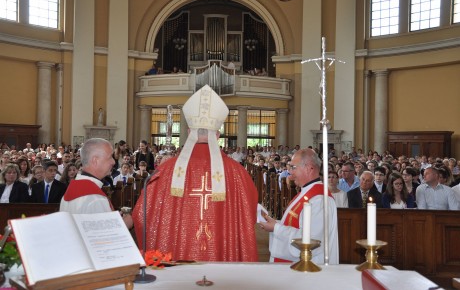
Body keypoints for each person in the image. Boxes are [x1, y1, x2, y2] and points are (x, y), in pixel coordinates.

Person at [133, 85, 259, 262]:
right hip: (223, 261)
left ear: (188, 132)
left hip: (177, 260)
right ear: (217, 135)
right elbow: (249, 211)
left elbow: (141, 213)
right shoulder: (237, 171)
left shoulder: (166, 170)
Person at [259, 148, 339, 264]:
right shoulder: (306, 192)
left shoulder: (319, 200)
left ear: (309, 168)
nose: (290, 172)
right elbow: (295, 224)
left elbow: (312, 240)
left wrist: (276, 228)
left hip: (310, 268)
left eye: (293, 167)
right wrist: (276, 222)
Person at [59, 138, 133, 227]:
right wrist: (124, 225)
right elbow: (104, 237)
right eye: (110, 157)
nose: (113, 162)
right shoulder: (95, 198)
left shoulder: (74, 187)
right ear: (95, 160)